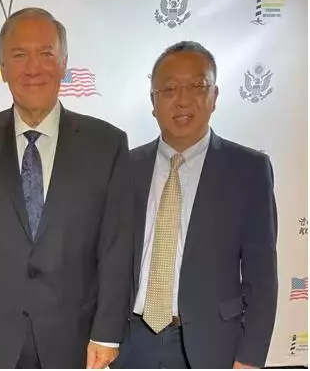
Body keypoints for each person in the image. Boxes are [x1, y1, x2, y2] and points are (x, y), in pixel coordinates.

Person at [0, 7, 134, 368]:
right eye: (19, 55)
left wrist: (107, 333)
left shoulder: (106, 144)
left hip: (75, 336)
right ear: (2, 68)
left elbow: (116, 247)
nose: (33, 68)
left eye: (45, 53)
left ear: (63, 63)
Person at [112, 41, 278, 369]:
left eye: (197, 86)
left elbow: (262, 275)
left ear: (214, 95)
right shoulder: (125, 168)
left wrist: (250, 357)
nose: (183, 99)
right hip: (131, 342)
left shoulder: (248, 170)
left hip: (212, 344)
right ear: (153, 102)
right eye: (169, 88)